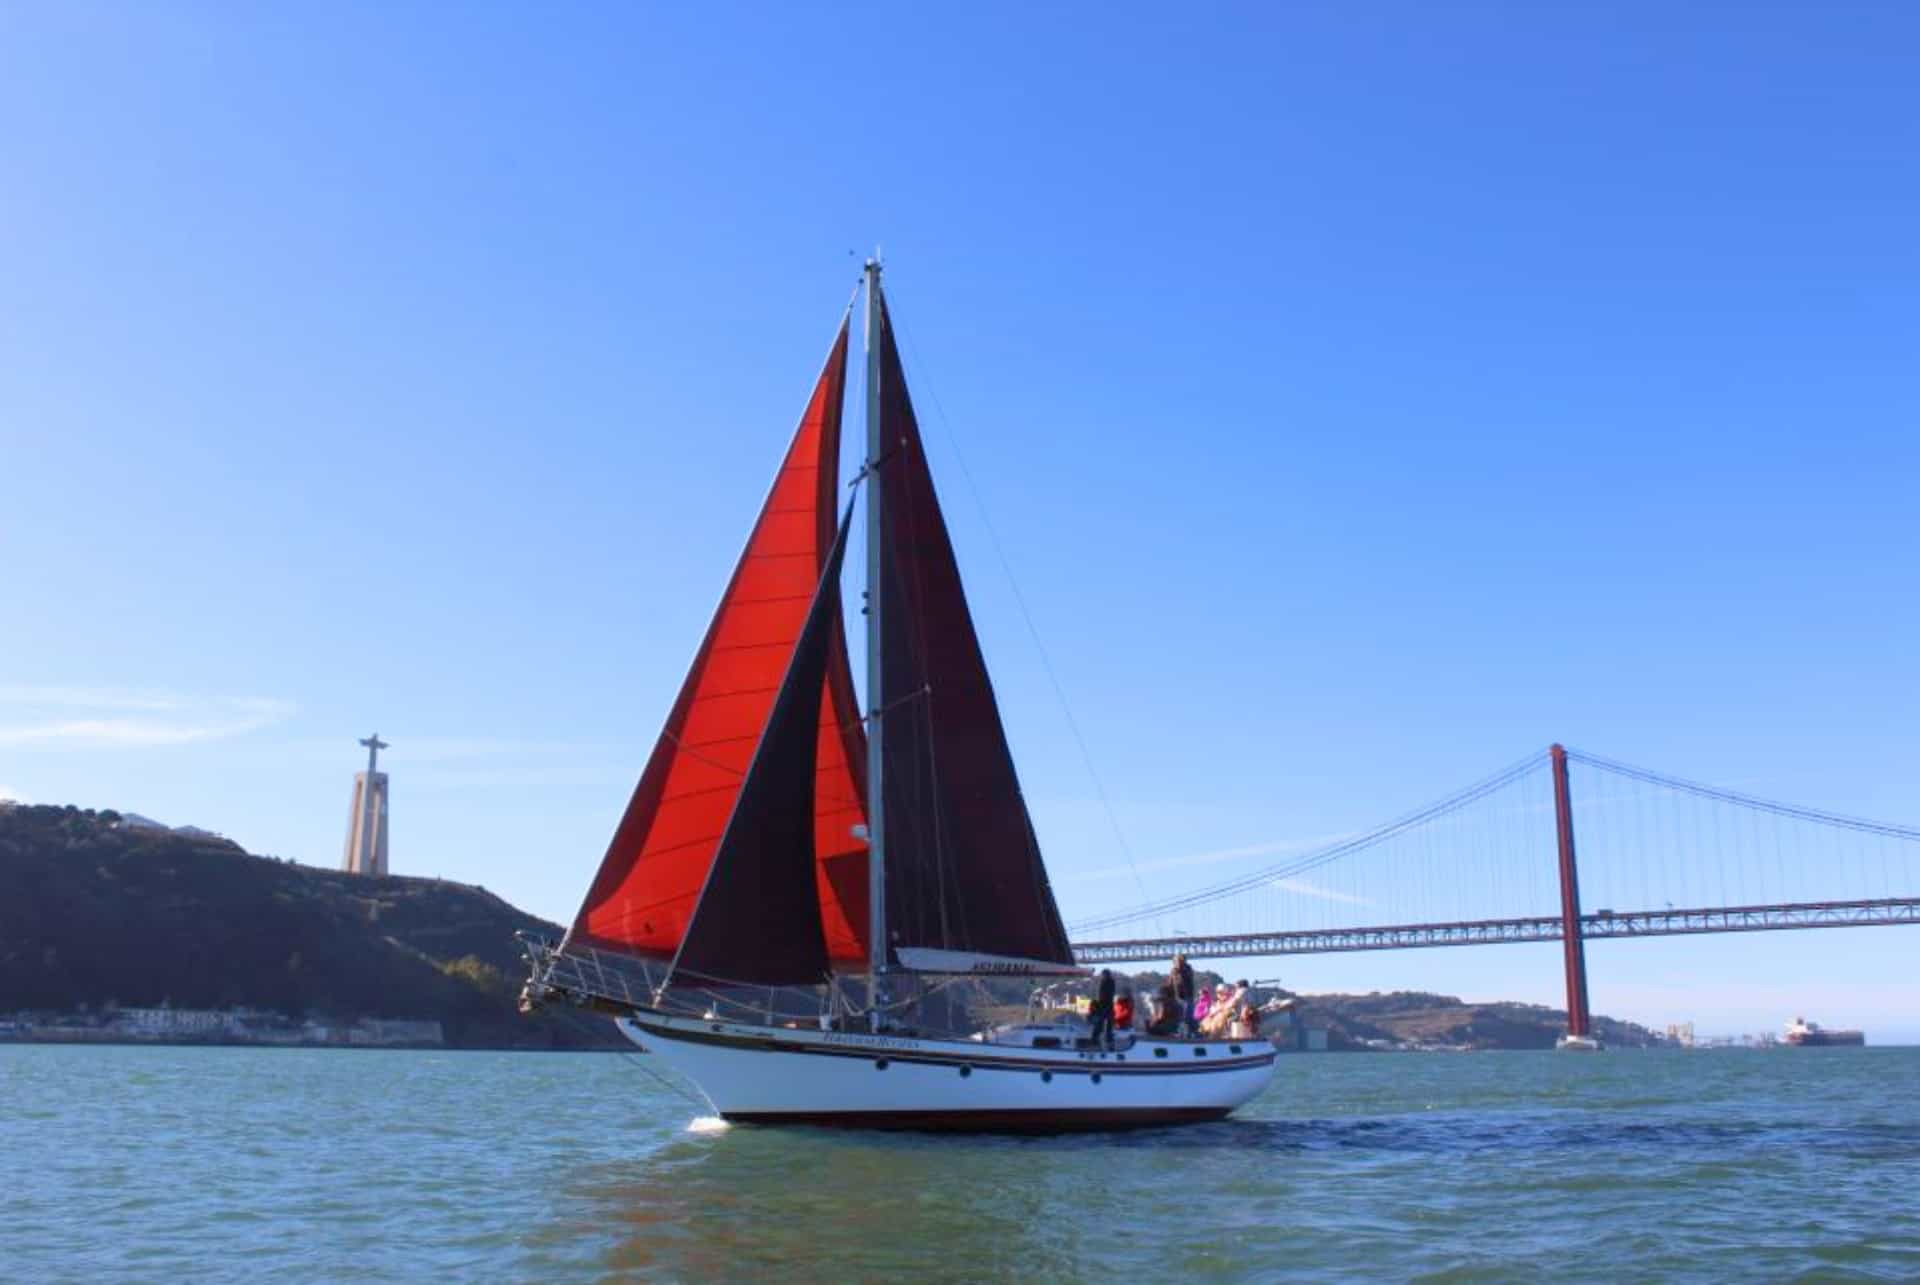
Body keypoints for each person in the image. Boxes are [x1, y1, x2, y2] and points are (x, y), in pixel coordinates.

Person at [1087, 967, 1115, 1051]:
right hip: (1107, 1005)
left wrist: (1101, 1006)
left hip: (1105, 1005)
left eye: (1103, 975)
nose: (1102, 976)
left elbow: (1105, 995)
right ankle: (1107, 1039)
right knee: (1106, 1024)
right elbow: (1107, 995)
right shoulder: (1109, 982)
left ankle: (1096, 1040)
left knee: (1101, 1024)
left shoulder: (1106, 983)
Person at [1173, 953, 1196, 1037]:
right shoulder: (1174, 970)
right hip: (1178, 996)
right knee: (1179, 1016)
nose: (1176, 963)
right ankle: (1180, 1032)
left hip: (1187, 996)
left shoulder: (1187, 969)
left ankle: (1191, 1032)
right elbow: (1172, 982)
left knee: (1188, 1015)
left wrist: (1181, 971)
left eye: (1178, 961)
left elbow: (1186, 979)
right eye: (1175, 961)